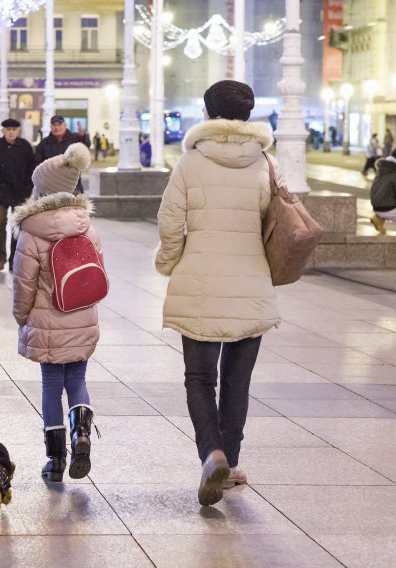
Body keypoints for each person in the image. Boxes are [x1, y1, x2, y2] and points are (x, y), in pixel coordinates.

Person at [155, 80, 281, 507]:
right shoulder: (265, 163)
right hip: (251, 282)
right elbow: (274, 224)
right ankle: (230, 460)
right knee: (236, 382)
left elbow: (170, 224)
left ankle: (212, 454)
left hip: (200, 282)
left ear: (208, 113)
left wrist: (167, 261)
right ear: (247, 114)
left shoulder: (191, 162)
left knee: (199, 378)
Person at [11, 142, 98, 483]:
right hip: (82, 315)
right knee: (77, 379)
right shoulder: (86, 225)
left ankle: (56, 459)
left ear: (42, 189)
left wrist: (22, 317)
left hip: (47, 320)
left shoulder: (32, 230)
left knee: (51, 384)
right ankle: (82, 436)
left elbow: (24, 284)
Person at [0, 118, 36, 271]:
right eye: (8, 129)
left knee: (16, 226)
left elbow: (32, 169)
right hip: (1, 190)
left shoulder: (25, 146)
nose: (11, 132)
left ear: (18, 130)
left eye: (14, 129)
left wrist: (29, 188)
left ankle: (13, 258)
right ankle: (1, 256)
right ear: (3, 131)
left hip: (20, 192)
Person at [35, 115, 89, 193]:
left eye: (59, 124)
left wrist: (83, 137)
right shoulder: (44, 143)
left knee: (74, 204)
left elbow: (86, 147)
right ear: (50, 127)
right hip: (52, 185)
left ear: (65, 125)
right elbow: (37, 162)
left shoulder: (75, 138)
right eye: (54, 125)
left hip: (73, 184)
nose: (57, 127)